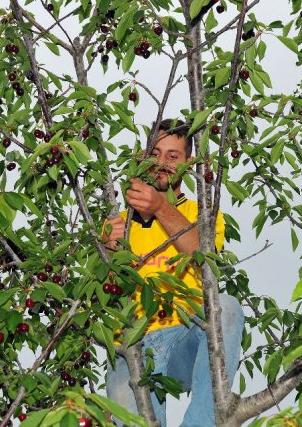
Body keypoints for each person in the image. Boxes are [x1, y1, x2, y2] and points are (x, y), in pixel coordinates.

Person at [102, 119, 245, 427]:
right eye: (155, 154)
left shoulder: (203, 214)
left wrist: (160, 208)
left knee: (228, 307)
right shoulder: (117, 223)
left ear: (188, 164)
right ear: (143, 158)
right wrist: (109, 254)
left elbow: (200, 255)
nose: (162, 163)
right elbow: (104, 294)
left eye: (172, 156)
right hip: (132, 345)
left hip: (186, 337)